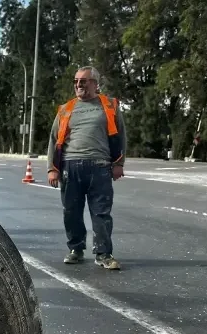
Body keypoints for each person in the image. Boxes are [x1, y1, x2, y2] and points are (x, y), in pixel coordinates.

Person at [46, 66, 127, 270]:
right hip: (70, 166)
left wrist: (119, 163)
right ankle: (76, 249)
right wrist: (52, 168)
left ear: (95, 83)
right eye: (76, 81)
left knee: (101, 213)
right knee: (71, 212)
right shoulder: (66, 109)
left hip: (100, 167)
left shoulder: (109, 105)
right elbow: (54, 140)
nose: (78, 84)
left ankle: (103, 254)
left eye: (83, 81)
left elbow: (121, 136)